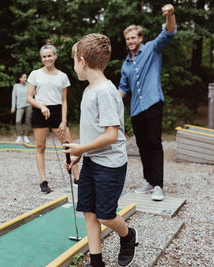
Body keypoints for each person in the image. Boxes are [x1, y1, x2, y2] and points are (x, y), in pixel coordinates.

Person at [64, 34, 138, 267]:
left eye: (74, 60)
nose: (74, 66)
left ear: (83, 61)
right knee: (88, 211)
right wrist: (79, 154)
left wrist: (81, 147)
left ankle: (128, 236)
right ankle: (96, 262)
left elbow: (111, 135)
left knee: (106, 214)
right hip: (92, 161)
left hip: (110, 165)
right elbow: (94, 133)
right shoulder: (89, 90)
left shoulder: (105, 91)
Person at [118, 4, 177, 201]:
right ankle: (149, 181)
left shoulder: (152, 48)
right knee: (142, 145)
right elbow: (123, 89)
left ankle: (159, 185)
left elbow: (168, 32)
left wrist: (170, 15)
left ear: (140, 38)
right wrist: (108, 98)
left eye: (133, 37)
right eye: (127, 39)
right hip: (136, 110)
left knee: (154, 143)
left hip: (152, 103)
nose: (131, 41)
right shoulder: (125, 65)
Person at [26, 42, 79, 193]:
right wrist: (41, 106)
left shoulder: (62, 76)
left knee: (68, 145)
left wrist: (63, 121)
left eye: (49, 56)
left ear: (55, 56)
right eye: (44, 57)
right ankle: (43, 181)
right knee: (40, 147)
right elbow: (29, 97)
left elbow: (64, 101)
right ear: (41, 58)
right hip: (40, 110)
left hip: (57, 112)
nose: (47, 59)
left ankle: (77, 178)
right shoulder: (35, 74)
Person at [11, 73, 32, 143]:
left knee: (27, 121)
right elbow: (14, 97)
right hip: (20, 106)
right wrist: (13, 107)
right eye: (23, 77)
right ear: (20, 78)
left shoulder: (29, 85)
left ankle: (26, 136)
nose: (25, 79)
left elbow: (33, 94)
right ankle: (19, 136)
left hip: (28, 105)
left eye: (26, 77)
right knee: (18, 121)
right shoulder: (16, 86)